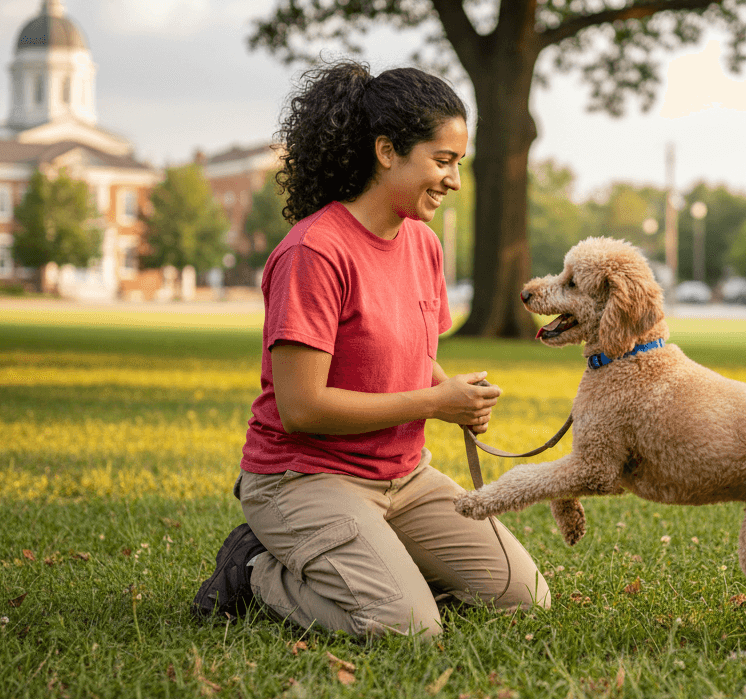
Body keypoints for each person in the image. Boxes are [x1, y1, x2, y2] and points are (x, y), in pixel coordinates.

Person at [191, 60, 549, 639]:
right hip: (303, 479)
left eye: (459, 163)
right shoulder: (314, 252)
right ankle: (255, 573)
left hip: (405, 477)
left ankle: (377, 565)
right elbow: (302, 408)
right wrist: (435, 403)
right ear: (387, 152)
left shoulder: (424, 245)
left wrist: (455, 393)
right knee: (407, 628)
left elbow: (410, 354)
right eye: (443, 160)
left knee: (522, 596)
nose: (455, 180)